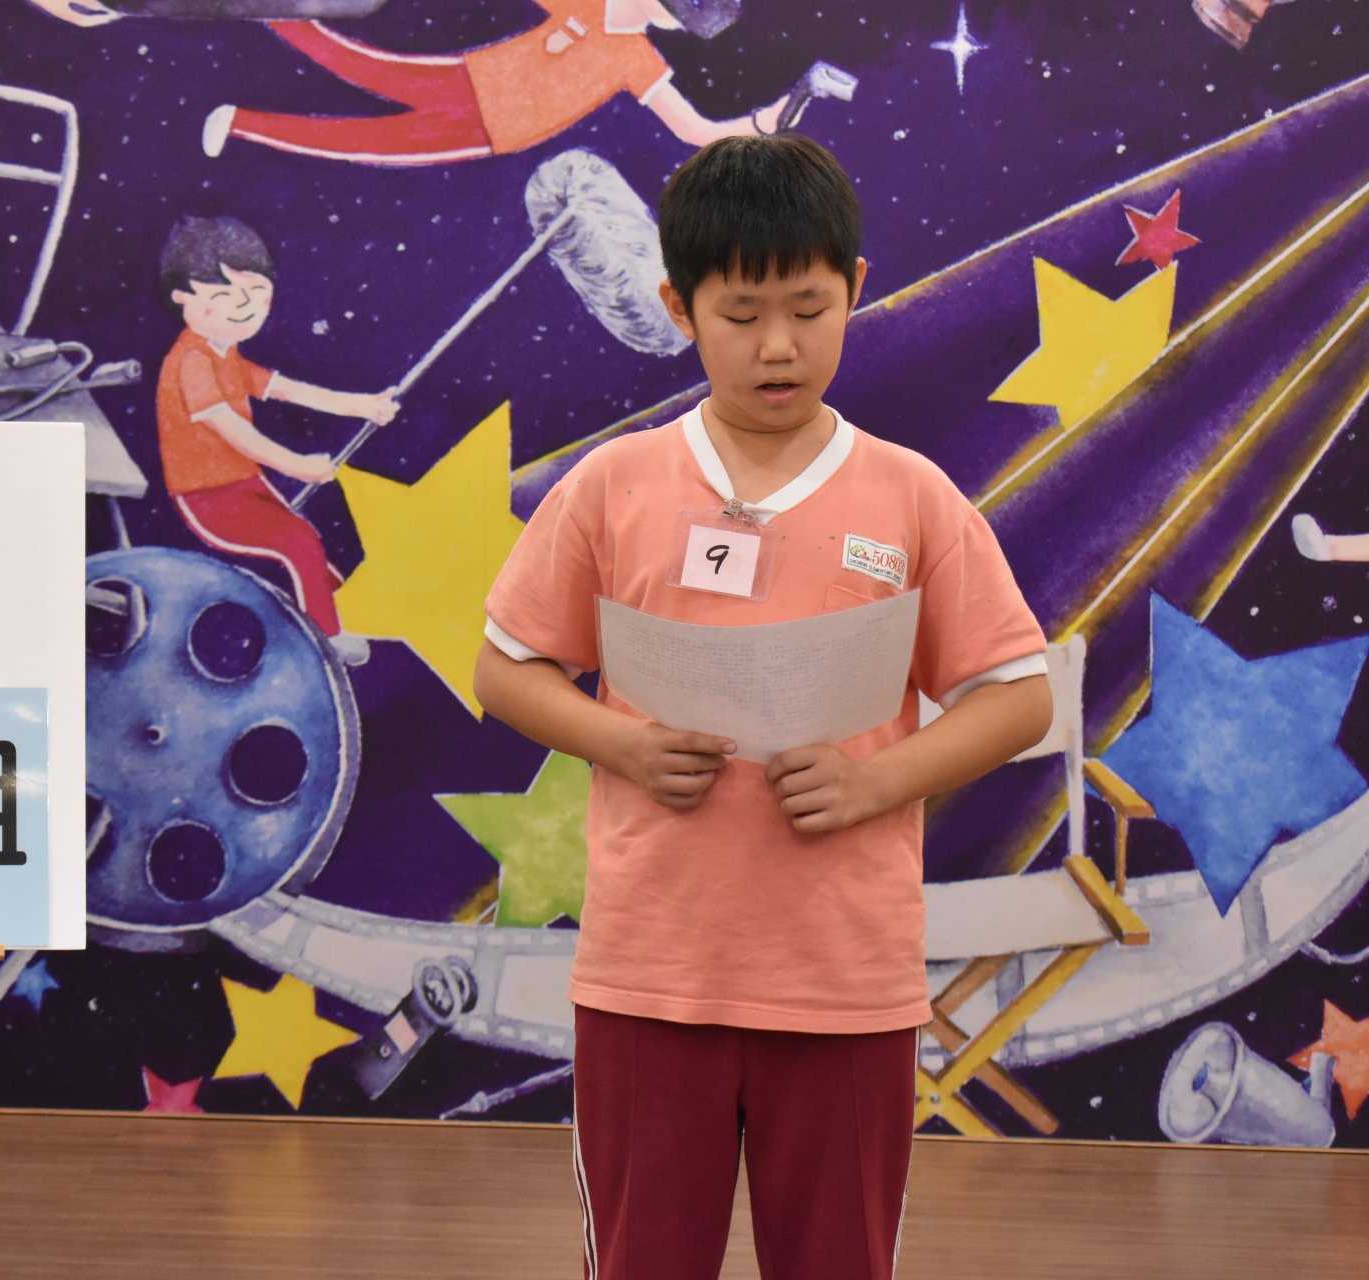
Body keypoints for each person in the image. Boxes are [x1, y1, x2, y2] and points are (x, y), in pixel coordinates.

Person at [473, 134, 1052, 1279]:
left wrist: (878, 779)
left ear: (856, 289)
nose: (777, 345)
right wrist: (625, 743)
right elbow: (507, 669)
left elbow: (1016, 695)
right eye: (740, 314)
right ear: (677, 307)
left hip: (846, 982)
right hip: (649, 976)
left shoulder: (912, 496)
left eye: (808, 308)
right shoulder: (612, 484)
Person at [155, 215, 399, 666]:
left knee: (308, 545)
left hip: (242, 485)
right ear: (182, 298)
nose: (242, 308)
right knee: (297, 541)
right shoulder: (192, 362)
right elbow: (232, 430)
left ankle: (347, 612)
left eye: (255, 294)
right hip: (207, 494)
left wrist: (360, 405)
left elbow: (288, 390)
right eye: (222, 298)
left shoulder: (224, 355)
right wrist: (296, 464)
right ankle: (325, 635)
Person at [201, 0, 791, 165]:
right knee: (359, 64)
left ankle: (242, 123)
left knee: (364, 143)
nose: (651, 14)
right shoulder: (591, 4)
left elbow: (693, 129)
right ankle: (270, 13)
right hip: (474, 82)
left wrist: (761, 125)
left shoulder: (638, 59)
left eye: (664, 15)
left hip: (497, 132)